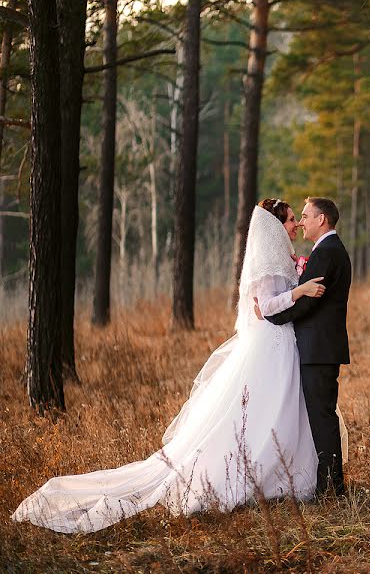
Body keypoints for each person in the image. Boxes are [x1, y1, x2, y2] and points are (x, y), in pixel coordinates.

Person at [12, 198, 345, 533]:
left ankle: (297, 477)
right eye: (291, 220)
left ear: (321, 219)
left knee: (287, 409)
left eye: (299, 219)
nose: (296, 225)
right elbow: (265, 309)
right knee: (266, 409)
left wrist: (297, 287)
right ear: (275, 226)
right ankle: (262, 476)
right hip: (274, 345)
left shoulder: (291, 258)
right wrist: (300, 289)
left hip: (288, 345)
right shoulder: (272, 262)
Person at [258, 197, 351, 497]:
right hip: (318, 348)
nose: (301, 222)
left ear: (321, 220)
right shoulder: (327, 251)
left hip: (319, 349)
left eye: (306, 216)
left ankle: (331, 489)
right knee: (321, 416)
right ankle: (328, 484)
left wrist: (274, 316)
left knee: (322, 418)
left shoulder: (326, 253)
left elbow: (308, 303)